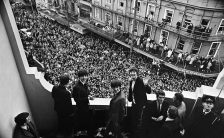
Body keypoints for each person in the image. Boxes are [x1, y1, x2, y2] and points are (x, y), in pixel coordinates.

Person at [128, 67, 151, 138]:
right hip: (134, 103)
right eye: (131, 75)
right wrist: (130, 99)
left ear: (137, 74)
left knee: (139, 121)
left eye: (134, 75)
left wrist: (146, 85)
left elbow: (149, 92)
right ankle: (133, 133)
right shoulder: (131, 81)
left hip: (141, 105)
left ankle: (137, 135)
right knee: (133, 119)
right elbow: (132, 91)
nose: (132, 76)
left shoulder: (141, 81)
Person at [72, 69, 93, 136]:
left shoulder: (85, 84)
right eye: (82, 76)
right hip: (80, 109)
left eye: (85, 76)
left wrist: (89, 95)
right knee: (80, 122)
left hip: (86, 108)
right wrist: (87, 98)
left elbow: (86, 93)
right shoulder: (76, 87)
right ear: (79, 77)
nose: (84, 77)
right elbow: (77, 100)